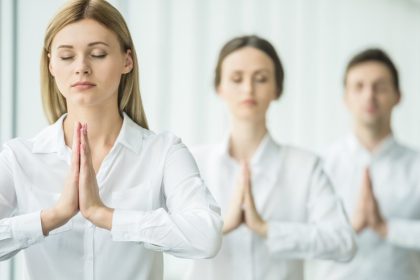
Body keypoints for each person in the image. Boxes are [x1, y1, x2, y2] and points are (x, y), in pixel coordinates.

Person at [0, 1, 222, 279]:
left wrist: (105, 215)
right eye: (67, 56)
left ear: (126, 61)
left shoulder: (163, 152)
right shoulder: (19, 157)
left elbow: (206, 235)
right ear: (51, 65)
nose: (81, 67)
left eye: (98, 54)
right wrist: (52, 217)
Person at [186, 35, 356, 280]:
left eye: (261, 79)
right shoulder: (192, 162)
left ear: (277, 89)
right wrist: (220, 226)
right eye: (236, 78)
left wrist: (267, 229)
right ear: (219, 87)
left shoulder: (306, 166)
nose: (248, 89)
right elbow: (158, 238)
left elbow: (343, 242)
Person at [312, 49, 420, 279]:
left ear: (398, 96)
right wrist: (350, 227)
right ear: (346, 98)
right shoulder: (320, 166)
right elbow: (301, 240)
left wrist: (387, 228)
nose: (369, 95)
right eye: (359, 87)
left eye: (380, 87)